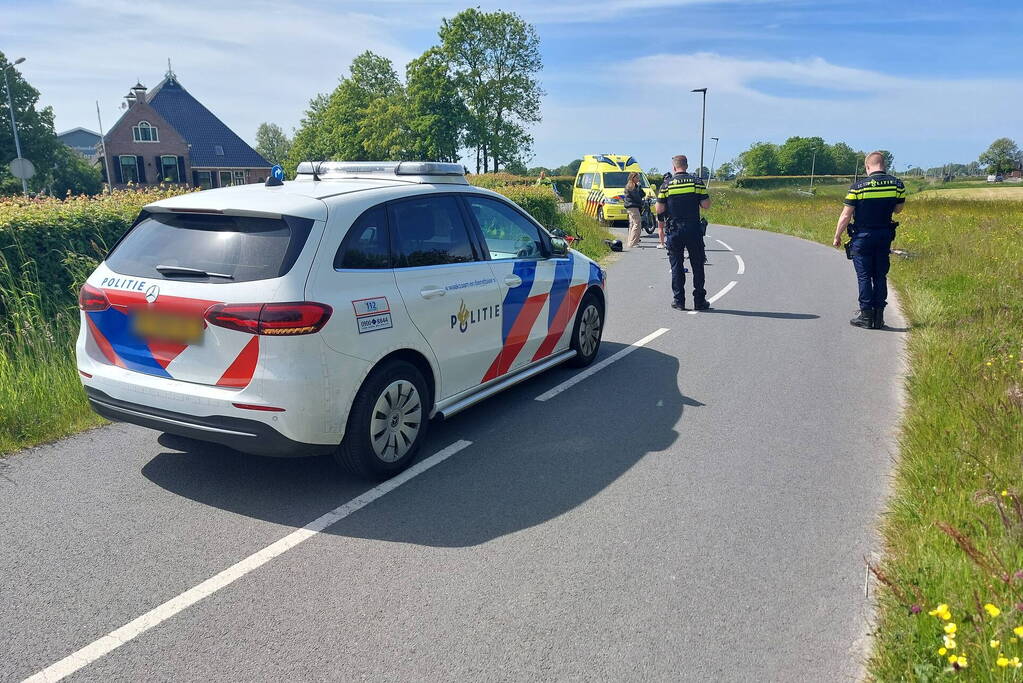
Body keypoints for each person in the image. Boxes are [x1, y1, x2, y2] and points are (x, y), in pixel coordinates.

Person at [832, 151, 906, 329]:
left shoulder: (857, 187)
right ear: (884, 165)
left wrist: (837, 236)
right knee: (880, 275)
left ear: (867, 166)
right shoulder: (897, 184)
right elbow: (898, 209)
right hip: (884, 236)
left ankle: (866, 316)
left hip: (862, 237)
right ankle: (879, 317)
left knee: (864, 276)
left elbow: (846, 215)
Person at [657, 155, 711, 311]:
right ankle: (699, 301)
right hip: (693, 229)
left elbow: (659, 209)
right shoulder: (696, 182)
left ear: (674, 167)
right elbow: (706, 204)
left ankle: (679, 300)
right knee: (697, 264)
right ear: (686, 166)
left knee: (676, 265)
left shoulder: (666, 185)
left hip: (674, 230)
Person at [623, 172, 645, 249]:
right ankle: (633, 243)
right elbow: (637, 197)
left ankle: (630, 242)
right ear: (633, 178)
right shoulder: (630, 186)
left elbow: (642, 194)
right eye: (637, 178)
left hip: (633, 206)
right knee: (637, 223)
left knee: (632, 224)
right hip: (632, 206)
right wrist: (641, 203)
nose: (638, 179)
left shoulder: (635, 186)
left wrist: (639, 187)